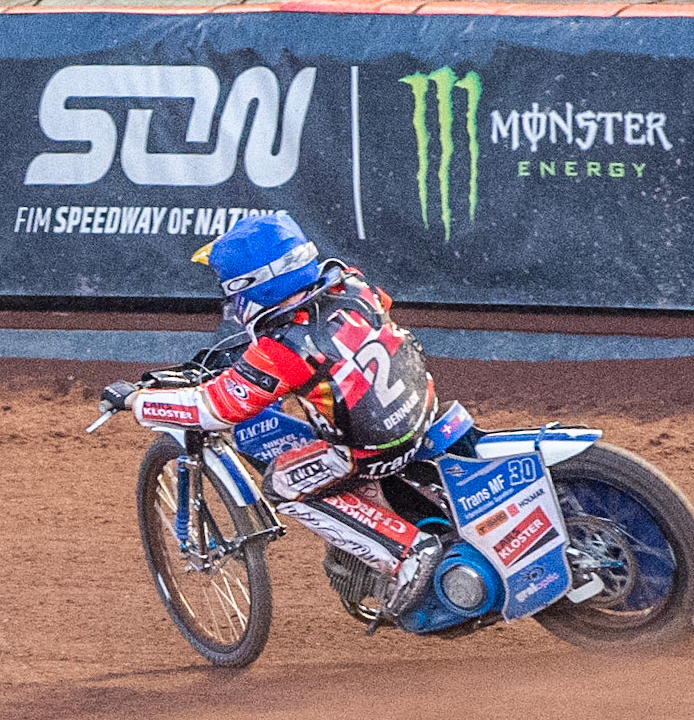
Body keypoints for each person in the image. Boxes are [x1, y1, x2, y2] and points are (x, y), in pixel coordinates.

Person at [102, 212, 443, 614]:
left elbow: (215, 408)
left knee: (282, 481)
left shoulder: (281, 348)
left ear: (249, 287)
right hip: (422, 412)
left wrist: (134, 402)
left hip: (369, 450)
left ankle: (407, 551)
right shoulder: (351, 282)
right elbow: (373, 312)